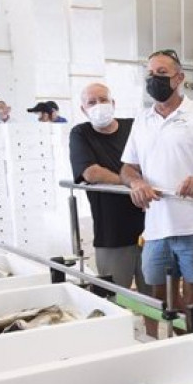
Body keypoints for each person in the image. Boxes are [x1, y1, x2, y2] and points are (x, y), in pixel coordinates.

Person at [121, 49, 193, 335]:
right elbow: (127, 168)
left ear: (179, 78)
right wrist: (136, 183)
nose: (154, 79)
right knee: (157, 294)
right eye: (150, 74)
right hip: (156, 225)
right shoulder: (142, 119)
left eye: (162, 73)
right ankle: (155, 344)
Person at [70, 82, 147, 293]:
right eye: (92, 102)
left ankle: (152, 329)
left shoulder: (134, 127)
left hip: (150, 225)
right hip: (112, 231)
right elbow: (91, 172)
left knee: (155, 296)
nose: (99, 105)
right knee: (113, 295)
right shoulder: (81, 133)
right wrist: (133, 182)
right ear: (83, 109)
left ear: (113, 103)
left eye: (103, 100)